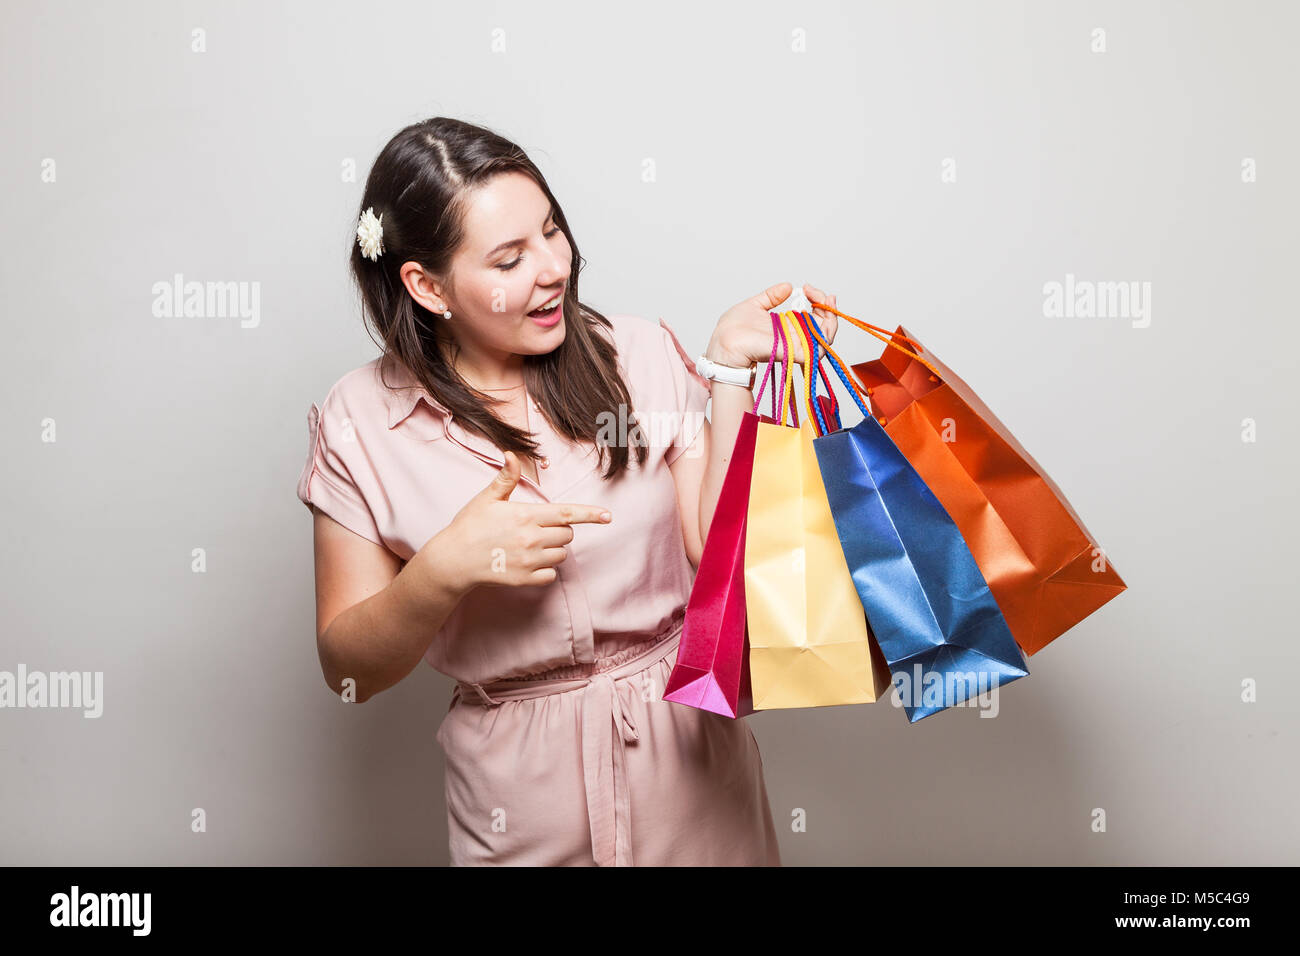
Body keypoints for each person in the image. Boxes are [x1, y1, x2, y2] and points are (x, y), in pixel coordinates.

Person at [296, 117, 839, 866]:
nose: (554, 267)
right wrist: (443, 569)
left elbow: (721, 560)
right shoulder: (360, 420)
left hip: (691, 767)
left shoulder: (639, 355)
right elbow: (349, 670)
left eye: (552, 231)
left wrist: (725, 377)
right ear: (426, 285)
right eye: (510, 258)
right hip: (515, 803)